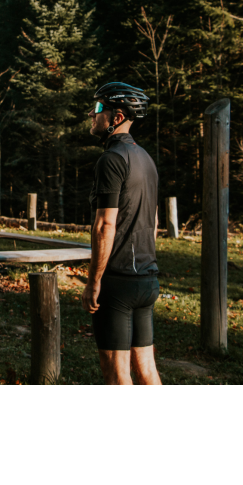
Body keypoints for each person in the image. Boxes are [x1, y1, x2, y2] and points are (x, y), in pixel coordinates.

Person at [81, 82, 162, 385]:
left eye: (99, 107)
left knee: (116, 374)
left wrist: (94, 281)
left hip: (118, 283)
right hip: (147, 278)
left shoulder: (111, 160)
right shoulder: (146, 159)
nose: (92, 112)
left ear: (116, 117)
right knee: (145, 369)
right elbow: (151, 220)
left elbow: (105, 226)